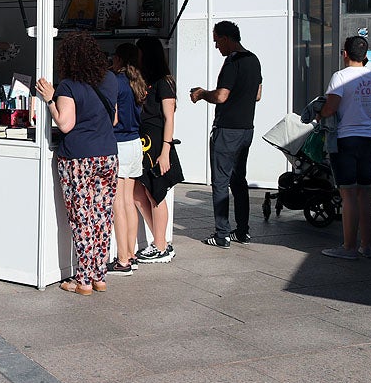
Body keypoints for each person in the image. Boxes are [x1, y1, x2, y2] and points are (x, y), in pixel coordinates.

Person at [36, 32, 118, 294]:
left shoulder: (69, 86)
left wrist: (50, 99)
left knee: (82, 217)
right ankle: (99, 276)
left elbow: (65, 124)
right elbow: (113, 120)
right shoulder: (110, 79)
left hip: (78, 157)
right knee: (103, 215)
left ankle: (82, 280)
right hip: (108, 154)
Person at [190, 20, 262, 249]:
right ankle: (242, 231)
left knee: (220, 182)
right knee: (238, 181)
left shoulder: (232, 62)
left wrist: (201, 93)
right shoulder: (254, 60)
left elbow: (221, 96)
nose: (216, 47)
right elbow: (258, 94)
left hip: (227, 130)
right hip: (246, 130)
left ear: (226, 38)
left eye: (217, 41)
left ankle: (221, 235)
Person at [319, 36, 371, 260]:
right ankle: (367, 245)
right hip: (368, 138)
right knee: (365, 193)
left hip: (347, 139)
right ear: (365, 55)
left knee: (349, 195)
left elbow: (330, 108)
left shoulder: (340, 77)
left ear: (345, 53)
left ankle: (349, 248)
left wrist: (319, 112)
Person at [134, 36, 182, 264]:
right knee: (138, 193)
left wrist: (165, 151)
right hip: (144, 142)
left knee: (156, 193)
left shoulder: (164, 82)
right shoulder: (149, 81)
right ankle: (159, 240)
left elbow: (169, 118)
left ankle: (161, 246)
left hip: (157, 145)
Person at [107, 43, 145, 276]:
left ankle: (122, 260)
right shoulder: (136, 82)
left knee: (118, 202)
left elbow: (113, 118)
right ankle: (130, 253)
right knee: (129, 201)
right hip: (134, 144)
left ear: (118, 59)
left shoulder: (116, 82)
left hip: (119, 144)